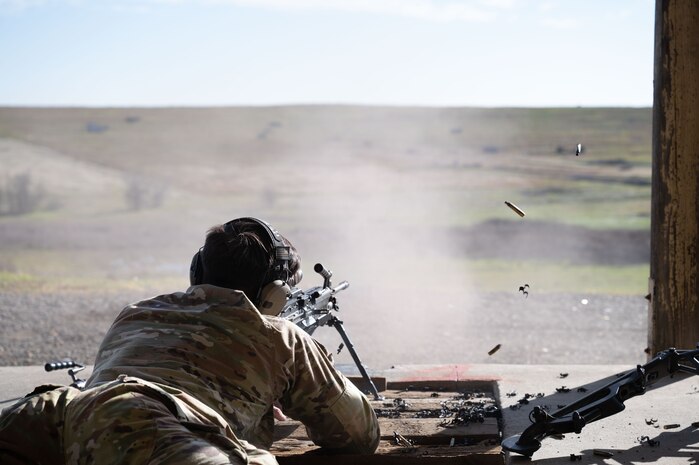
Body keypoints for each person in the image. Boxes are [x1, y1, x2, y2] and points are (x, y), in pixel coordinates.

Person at [0, 217, 380, 465]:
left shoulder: (137, 311)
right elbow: (357, 436)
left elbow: (183, 375)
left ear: (198, 270)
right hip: (147, 424)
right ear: (275, 296)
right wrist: (315, 366)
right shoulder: (282, 336)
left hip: (56, 414)